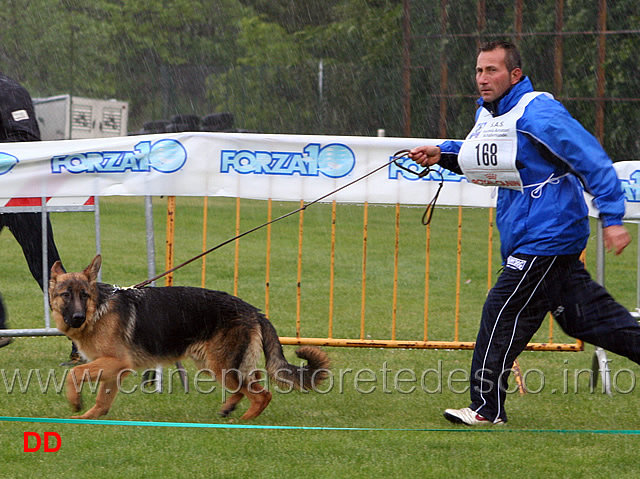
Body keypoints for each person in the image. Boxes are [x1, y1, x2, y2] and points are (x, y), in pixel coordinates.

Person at [409, 40, 640, 425]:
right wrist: (442, 154)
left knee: (501, 311)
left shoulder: (540, 113)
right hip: (530, 236)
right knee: (584, 319)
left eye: (492, 71)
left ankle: (486, 409)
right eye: (480, 71)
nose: (483, 79)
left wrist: (613, 218)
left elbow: (593, 160)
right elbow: (483, 156)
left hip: (549, 236)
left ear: (514, 74)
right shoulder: (490, 113)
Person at [0, 71, 77, 360]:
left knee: (45, 268)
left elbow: (26, 140)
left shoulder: (9, 92)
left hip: (20, 192)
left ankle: (81, 335)